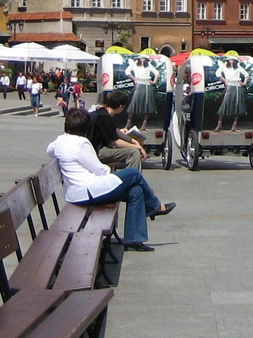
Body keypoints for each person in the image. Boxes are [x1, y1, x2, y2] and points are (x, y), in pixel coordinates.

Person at [50, 108, 174, 252]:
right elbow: (100, 170)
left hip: (77, 193)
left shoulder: (59, 141)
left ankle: (134, 239)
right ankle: (155, 207)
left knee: (135, 191)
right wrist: (112, 173)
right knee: (133, 174)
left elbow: (49, 150)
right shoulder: (82, 143)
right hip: (89, 192)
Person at [91, 90, 146, 169]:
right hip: (97, 150)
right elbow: (117, 142)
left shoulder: (103, 112)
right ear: (121, 106)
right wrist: (137, 147)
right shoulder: (104, 118)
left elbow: (114, 131)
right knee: (133, 152)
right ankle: (133, 179)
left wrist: (134, 141)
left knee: (132, 149)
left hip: (97, 147)